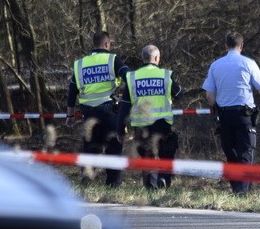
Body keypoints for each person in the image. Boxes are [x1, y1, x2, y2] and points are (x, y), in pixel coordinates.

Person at [202, 31, 260, 194]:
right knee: (246, 152)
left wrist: (215, 110)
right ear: (241, 46)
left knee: (231, 154)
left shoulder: (215, 65)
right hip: (245, 115)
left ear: (226, 46)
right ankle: (242, 192)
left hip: (225, 115)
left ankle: (238, 190)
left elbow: (209, 94)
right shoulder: (248, 63)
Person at [66, 30, 130, 186]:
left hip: (89, 115)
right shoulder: (112, 60)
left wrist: (70, 115)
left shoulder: (80, 64)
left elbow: (72, 91)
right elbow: (129, 77)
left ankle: (86, 183)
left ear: (94, 44)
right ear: (106, 44)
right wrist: (126, 101)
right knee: (113, 149)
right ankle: (113, 185)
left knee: (90, 149)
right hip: (109, 112)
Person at [127, 45, 184, 189]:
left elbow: (124, 103)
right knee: (167, 150)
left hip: (140, 124)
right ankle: (164, 178)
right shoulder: (165, 75)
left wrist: (120, 127)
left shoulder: (132, 76)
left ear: (143, 58)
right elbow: (179, 95)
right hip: (162, 123)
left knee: (147, 155)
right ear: (157, 58)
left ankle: (151, 186)